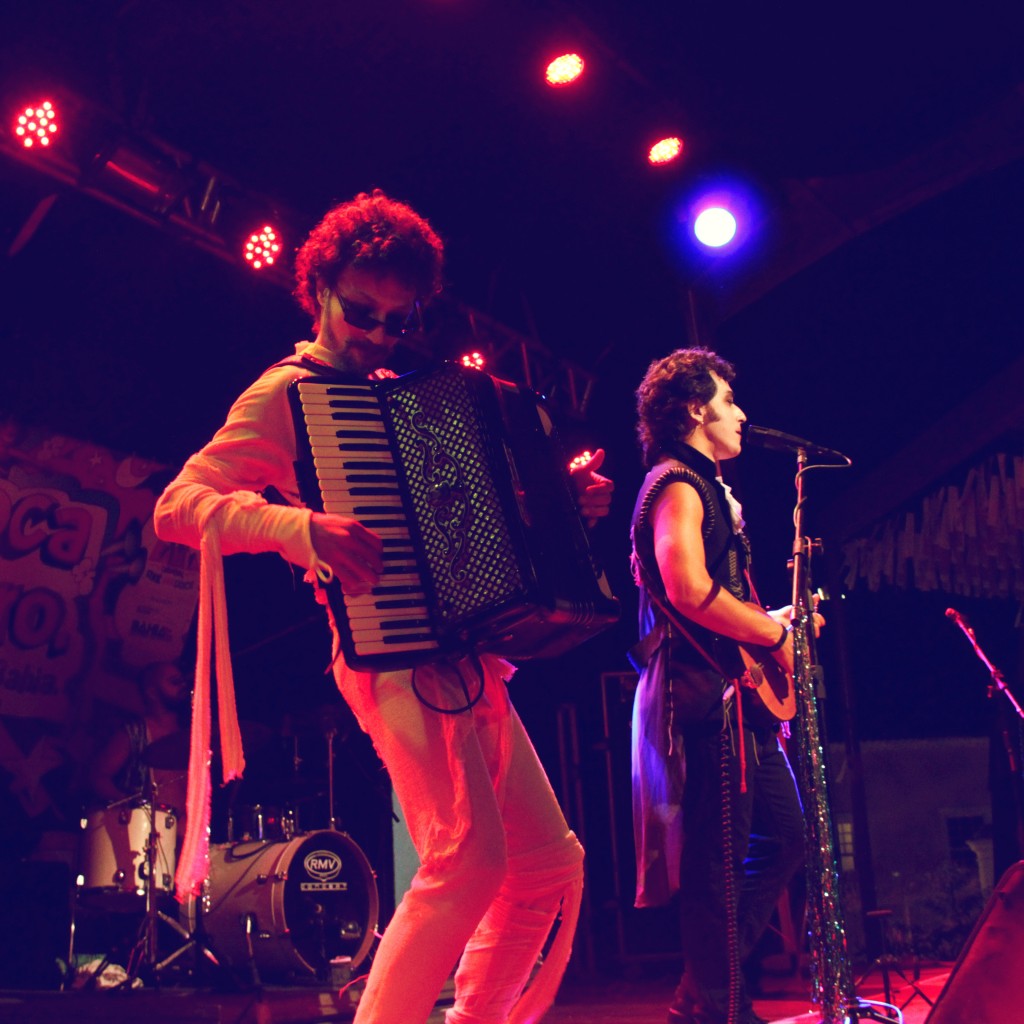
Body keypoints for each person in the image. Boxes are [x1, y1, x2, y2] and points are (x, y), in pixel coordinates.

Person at [153, 189, 612, 1024]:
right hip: (390, 655)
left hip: (468, 654)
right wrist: (295, 527)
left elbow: (465, 524)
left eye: (398, 322)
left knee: (549, 865)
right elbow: (178, 506)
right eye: (361, 312)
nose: (376, 335)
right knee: (467, 862)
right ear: (318, 290)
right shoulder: (286, 394)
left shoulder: (414, 396)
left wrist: (555, 510)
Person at [629, 348, 810, 1024]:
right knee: (718, 862)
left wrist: (770, 621)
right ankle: (719, 1006)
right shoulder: (677, 483)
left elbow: (714, 596)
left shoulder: (700, 485)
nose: (739, 413)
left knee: (784, 838)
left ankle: (702, 989)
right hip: (707, 697)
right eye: (728, 400)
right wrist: (774, 637)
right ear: (694, 409)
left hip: (735, 693)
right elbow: (686, 587)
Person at [88, 661, 190, 815]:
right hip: (145, 824)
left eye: (182, 681)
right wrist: (130, 804)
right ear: (152, 693)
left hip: (185, 826)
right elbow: (98, 777)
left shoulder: (189, 736)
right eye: (174, 682)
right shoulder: (135, 732)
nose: (182, 686)